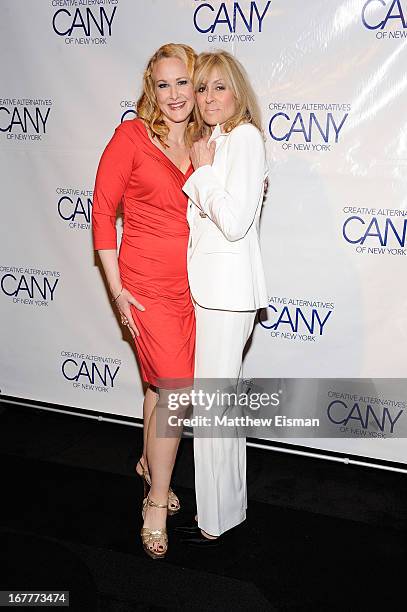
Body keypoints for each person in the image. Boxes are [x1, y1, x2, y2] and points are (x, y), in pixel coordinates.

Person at [91, 43, 197, 559]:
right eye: (164, 84)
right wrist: (117, 291)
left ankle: (147, 461)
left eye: (183, 83)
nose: (174, 95)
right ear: (150, 89)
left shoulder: (204, 141)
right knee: (176, 388)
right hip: (144, 287)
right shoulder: (131, 136)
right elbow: (101, 212)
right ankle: (156, 500)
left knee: (159, 385)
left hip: (193, 287)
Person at [177, 50, 269, 546]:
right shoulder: (214, 141)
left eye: (219, 87)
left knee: (213, 406)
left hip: (227, 294)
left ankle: (212, 520)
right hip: (211, 292)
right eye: (203, 87)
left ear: (237, 93)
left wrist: (204, 172)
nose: (209, 97)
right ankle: (226, 512)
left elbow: (234, 223)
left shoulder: (246, 139)